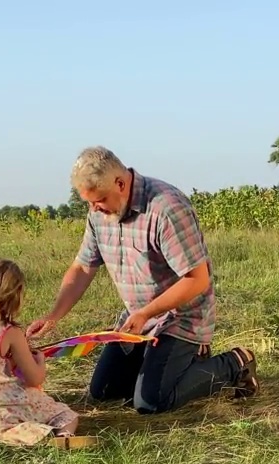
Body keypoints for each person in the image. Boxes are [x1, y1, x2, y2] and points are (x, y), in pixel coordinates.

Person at [27, 146, 258, 414]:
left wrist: (148, 312)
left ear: (120, 183)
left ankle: (234, 364)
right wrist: (54, 316)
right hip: (136, 322)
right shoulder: (99, 215)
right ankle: (167, 366)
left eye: (99, 200)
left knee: (152, 402)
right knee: (104, 392)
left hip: (181, 318)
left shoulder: (166, 208)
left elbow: (197, 280)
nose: (94, 209)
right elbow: (82, 268)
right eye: (88, 203)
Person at [0, 257, 93, 448]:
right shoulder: (8, 332)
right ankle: (63, 437)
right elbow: (35, 378)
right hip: (2, 412)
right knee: (65, 415)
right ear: (14, 297)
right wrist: (39, 361)